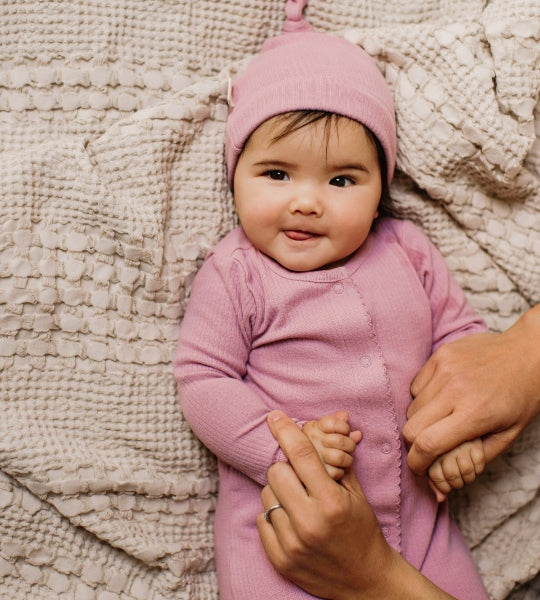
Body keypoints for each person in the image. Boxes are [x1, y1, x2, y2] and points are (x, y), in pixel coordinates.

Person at [174, 1, 491, 598]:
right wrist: (279, 446)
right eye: (276, 174)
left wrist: (457, 434)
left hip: (423, 531)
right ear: (234, 176)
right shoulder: (237, 272)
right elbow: (202, 378)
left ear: (379, 192)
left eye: (341, 180)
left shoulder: (408, 251)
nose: (306, 202)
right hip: (285, 533)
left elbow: (462, 340)